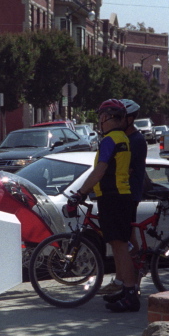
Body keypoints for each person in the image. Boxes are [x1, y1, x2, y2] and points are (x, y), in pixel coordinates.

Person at [68, 99, 140, 312]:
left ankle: (130, 294)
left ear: (110, 118)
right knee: (119, 246)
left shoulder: (110, 140)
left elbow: (99, 171)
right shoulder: (122, 138)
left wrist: (81, 193)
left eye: (101, 118)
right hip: (120, 196)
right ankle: (127, 291)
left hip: (114, 197)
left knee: (120, 246)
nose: (100, 122)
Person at [101, 99, 149, 303]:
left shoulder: (136, 140)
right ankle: (122, 280)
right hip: (122, 193)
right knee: (121, 241)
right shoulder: (121, 138)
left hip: (129, 193)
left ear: (129, 119)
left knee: (128, 241)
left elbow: (125, 168)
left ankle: (133, 280)